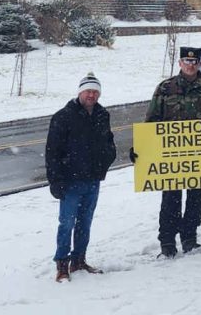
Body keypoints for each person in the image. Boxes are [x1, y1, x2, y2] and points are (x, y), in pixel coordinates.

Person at [139, 47, 201, 258]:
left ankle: (189, 237)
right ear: (180, 63)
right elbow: (152, 121)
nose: (190, 65)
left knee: (196, 198)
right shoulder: (165, 88)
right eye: (186, 61)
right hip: (171, 157)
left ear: (199, 64)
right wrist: (143, 148)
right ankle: (167, 242)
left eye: (194, 62)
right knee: (171, 199)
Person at [46, 72, 116, 282]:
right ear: (80, 92)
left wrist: (105, 161)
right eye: (88, 91)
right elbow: (52, 151)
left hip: (92, 180)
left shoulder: (102, 115)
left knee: (85, 223)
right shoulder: (63, 116)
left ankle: (79, 260)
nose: (91, 95)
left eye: (95, 92)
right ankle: (62, 264)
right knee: (67, 223)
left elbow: (108, 142)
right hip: (70, 181)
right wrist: (55, 180)